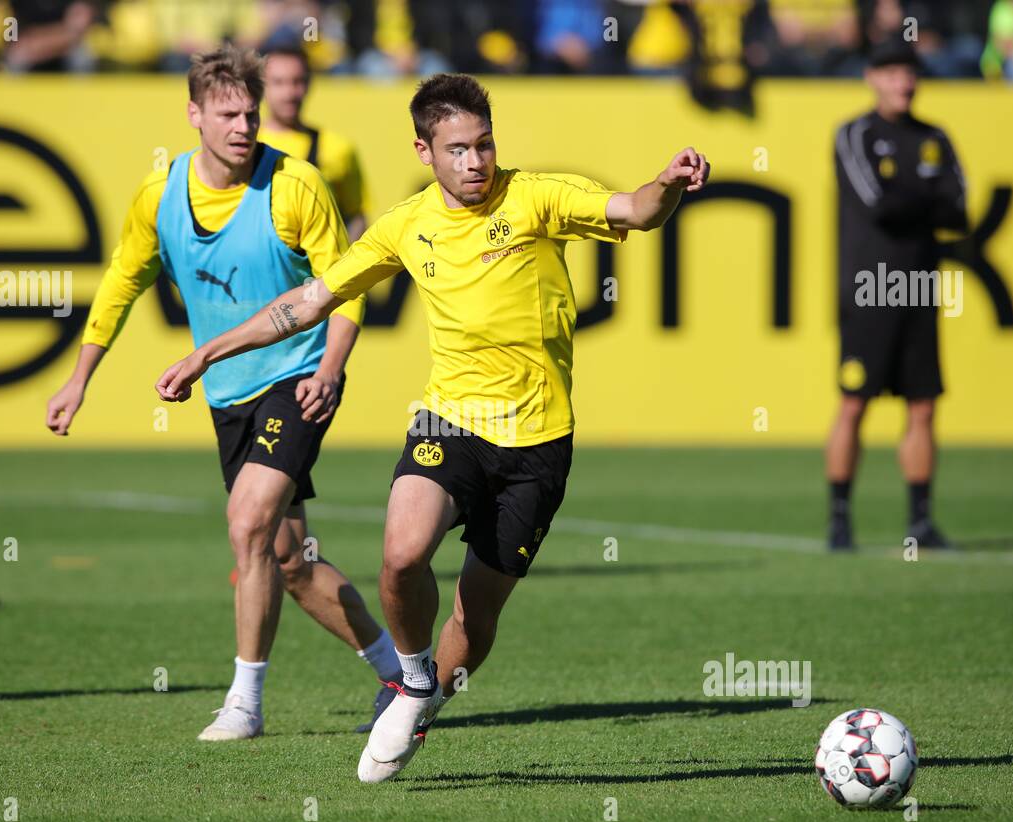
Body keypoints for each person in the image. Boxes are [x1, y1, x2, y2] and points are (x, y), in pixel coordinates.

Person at [154, 73, 710, 782]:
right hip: (448, 421)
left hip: (538, 441)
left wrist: (666, 181)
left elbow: (634, 211)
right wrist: (207, 351)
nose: (474, 162)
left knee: (474, 624)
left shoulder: (536, 195)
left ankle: (425, 700)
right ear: (425, 150)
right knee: (400, 555)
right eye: (457, 149)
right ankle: (413, 677)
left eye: (483, 145)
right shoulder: (405, 225)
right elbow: (310, 301)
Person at [44, 45, 401, 741]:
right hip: (228, 392)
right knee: (291, 562)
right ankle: (404, 673)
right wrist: (80, 377)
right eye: (228, 113)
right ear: (194, 114)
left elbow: (347, 288)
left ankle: (244, 705)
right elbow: (122, 281)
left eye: (251, 112)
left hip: (296, 378)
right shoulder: (161, 194)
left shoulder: (296, 185)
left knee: (246, 524)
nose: (244, 125)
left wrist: (330, 370)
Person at [827, 37, 968, 552]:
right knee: (854, 403)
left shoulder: (935, 137)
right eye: (891, 72)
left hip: (920, 287)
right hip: (869, 288)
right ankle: (840, 519)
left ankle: (921, 521)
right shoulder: (855, 134)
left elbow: (960, 212)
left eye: (909, 73)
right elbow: (878, 204)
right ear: (872, 77)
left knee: (924, 407)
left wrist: (915, 200)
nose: (903, 82)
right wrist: (926, 200)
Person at [258, 44, 370, 240]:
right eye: (278, 82)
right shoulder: (243, 144)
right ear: (261, 86)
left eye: (297, 81)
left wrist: (343, 266)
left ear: (309, 84)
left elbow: (356, 216)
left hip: (318, 267)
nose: (289, 93)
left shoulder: (338, 148)